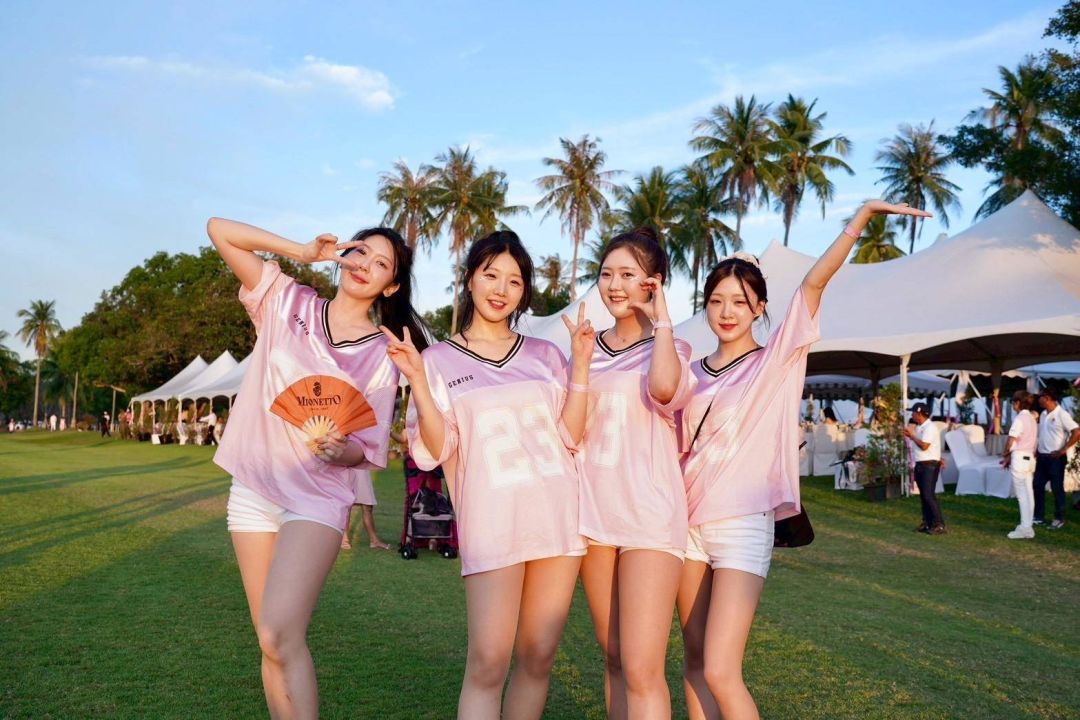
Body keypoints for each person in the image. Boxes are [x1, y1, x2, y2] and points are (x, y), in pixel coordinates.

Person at [678, 199, 930, 720]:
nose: (726, 312)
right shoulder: (689, 371)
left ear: (759, 308)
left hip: (743, 523)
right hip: (685, 525)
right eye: (716, 300)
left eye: (740, 301)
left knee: (722, 670)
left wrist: (861, 218)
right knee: (695, 662)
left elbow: (813, 285)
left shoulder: (777, 359)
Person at [207, 217, 427, 719]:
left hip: (316, 499)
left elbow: (368, 449)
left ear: (391, 286)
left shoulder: (384, 354)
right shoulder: (286, 300)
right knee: (270, 642)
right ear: (344, 254)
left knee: (278, 631)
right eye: (360, 252)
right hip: (254, 484)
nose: (365, 265)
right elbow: (219, 229)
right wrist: (303, 252)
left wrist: (340, 450)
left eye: (381, 264)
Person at [385, 230, 592, 720]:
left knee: (538, 658)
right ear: (470, 279)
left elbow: (571, 435)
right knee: (488, 664)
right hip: (492, 523)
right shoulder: (436, 361)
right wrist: (417, 382)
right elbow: (435, 451)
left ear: (525, 292)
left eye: (514, 281)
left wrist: (581, 366)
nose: (501, 289)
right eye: (491, 275)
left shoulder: (546, 355)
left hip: (558, 520)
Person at [576, 227, 694, 719]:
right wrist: (579, 362)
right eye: (607, 274)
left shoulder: (673, 347)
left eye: (628, 274)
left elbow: (664, 390)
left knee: (643, 668)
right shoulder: (585, 347)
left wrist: (661, 319)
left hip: (649, 515)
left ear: (653, 282)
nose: (614, 285)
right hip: (593, 515)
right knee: (614, 658)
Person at [1034, 387, 1080, 529]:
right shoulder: (1043, 414)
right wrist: (1037, 449)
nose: (1038, 399)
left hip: (1056, 459)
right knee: (1037, 486)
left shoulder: (1062, 414)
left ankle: (1059, 518)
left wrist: (1063, 450)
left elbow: (1077, 432)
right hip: (1042, 457)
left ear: (1047, 398)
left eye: (1040, 397)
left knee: (1056, 489)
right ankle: (1039, 516)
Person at [904, 402, 946, 535]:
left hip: (929, 466)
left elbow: (924, 446)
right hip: (922, 464)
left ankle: (939, 524)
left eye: (913, 413)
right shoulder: (920, 427)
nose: (911, 415)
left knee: (928, 495)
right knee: (923, 495)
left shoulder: (929, 428)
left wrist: (912, 436)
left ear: (919, 414)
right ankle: (927, 522)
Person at [1002, 391, 1038, 539]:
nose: (1013, 405)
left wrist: (1005, 455)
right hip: (1030, 458)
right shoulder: (1032, 418)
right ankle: (1027, 527)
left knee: (1022, 496)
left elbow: (1011, 439)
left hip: (1020, 459)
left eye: (1013, 402)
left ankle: (1025, 528)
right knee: (1029, 494)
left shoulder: (1019, 419)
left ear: (1017, 403)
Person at [340, 468, 391, 550]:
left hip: (362, 467)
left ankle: (374, 541)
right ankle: (344, 539)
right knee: (347, 503)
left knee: (368, 505)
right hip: (347, 466)